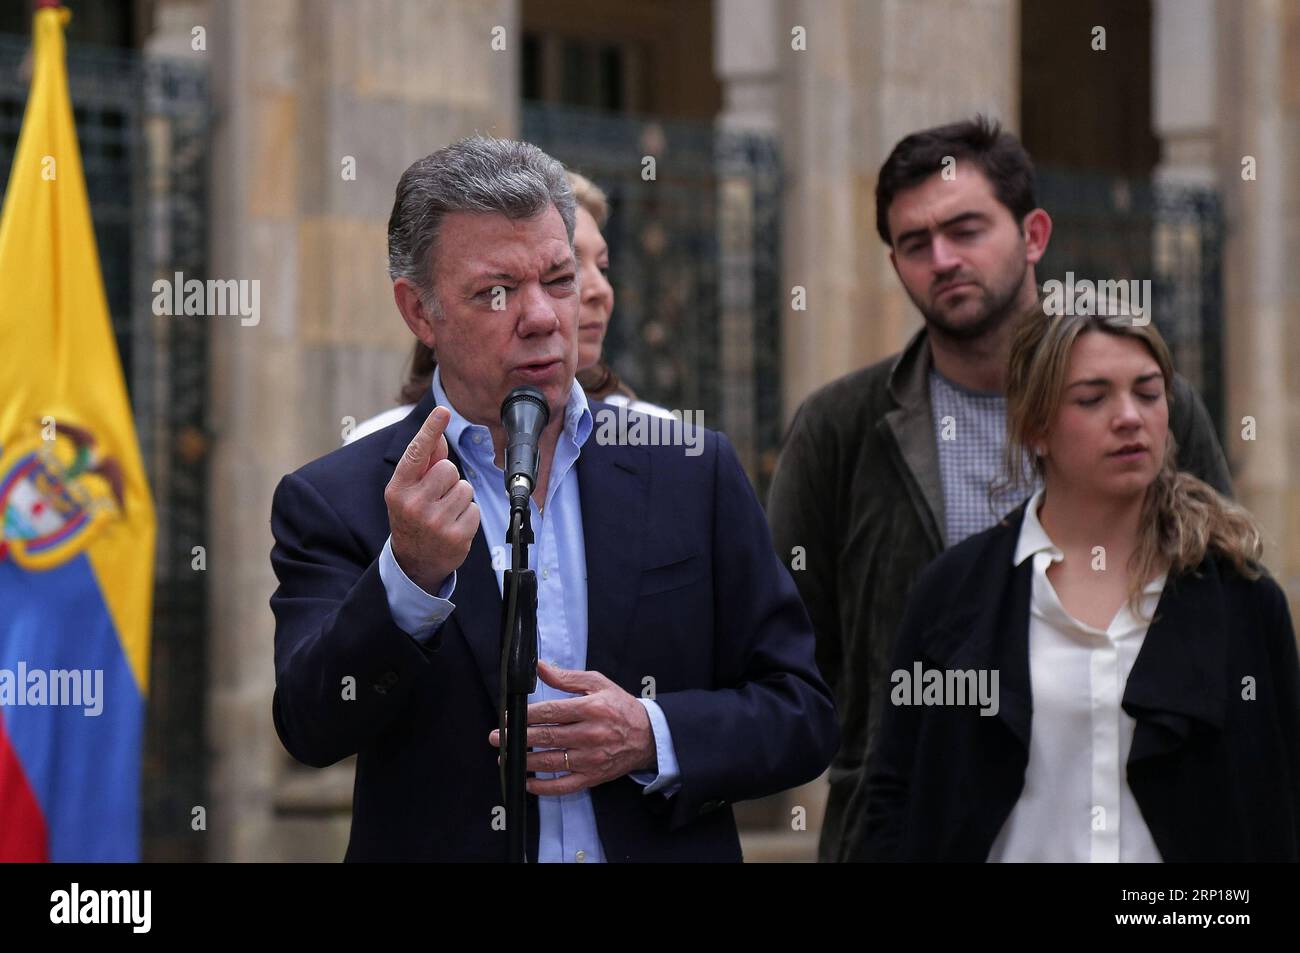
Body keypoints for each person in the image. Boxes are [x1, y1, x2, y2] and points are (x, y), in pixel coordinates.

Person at [269, 136, 838, 862]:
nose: (540, 315)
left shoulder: (692, 469)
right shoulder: (341, 498)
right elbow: (312, 726)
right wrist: (406, 581)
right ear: (420, 311)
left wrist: (651, 733)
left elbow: (803, 713)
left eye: (560, 279)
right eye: (496, 291)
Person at [766, 116, 1235, 862]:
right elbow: (786, 647)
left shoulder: (1151, 407)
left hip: (1138, 834)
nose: (943, 259)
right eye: (915, 244)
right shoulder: (839, 427)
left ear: (1034, 234)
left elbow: (1225, 608)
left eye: (966, 229)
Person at [851, 305, 1299, 862]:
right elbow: (895, 792)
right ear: (1035, 427)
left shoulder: (1242, 599)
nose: (1130, 416)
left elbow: (1280, 803)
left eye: (1148, 392)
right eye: (1093, 398)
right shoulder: (951, 595)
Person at [345, 172, 667, 444]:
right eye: (501, 288)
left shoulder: (655, 437)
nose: (600, 290)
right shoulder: (384, 448)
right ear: (421, 311)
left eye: (603, 266)